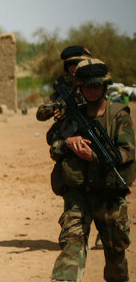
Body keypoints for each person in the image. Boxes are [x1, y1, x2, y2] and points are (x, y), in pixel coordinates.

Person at [42, 59, 134, 282]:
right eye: (87, 87)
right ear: (79, 88)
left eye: (97, 87)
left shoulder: (118, 115)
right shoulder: (72, 115)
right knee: (72, 238)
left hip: (108, 191)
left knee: (114, 243)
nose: (92, 92)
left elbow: (128, 152)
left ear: (105, 87)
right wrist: (68, 142)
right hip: (78, 191)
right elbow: (53, 142)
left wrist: (95, 156)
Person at [37, 46, 106, 249]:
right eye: (71, 65)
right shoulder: (64, 87)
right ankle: (71, 230)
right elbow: (41, 113)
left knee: (101, 183)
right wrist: (56, 107)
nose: (75, 69)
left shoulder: (94, 82)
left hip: (94, 136)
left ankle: (104, 230)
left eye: (78, 64)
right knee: (70, 182)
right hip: (70, 140)